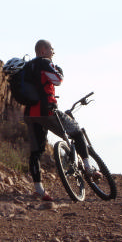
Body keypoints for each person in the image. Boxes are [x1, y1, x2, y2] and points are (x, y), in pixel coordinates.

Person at [24, 39, 102, 201]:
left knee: (35, 152)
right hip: (47, 110)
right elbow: (57, 80)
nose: (53, 52)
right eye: (51, 49)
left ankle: (39, 190)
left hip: (30, 114)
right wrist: (60, 70)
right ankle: (88, 167)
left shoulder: (27, 67)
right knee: (77, 132)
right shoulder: (44, 62)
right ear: (43, 51)